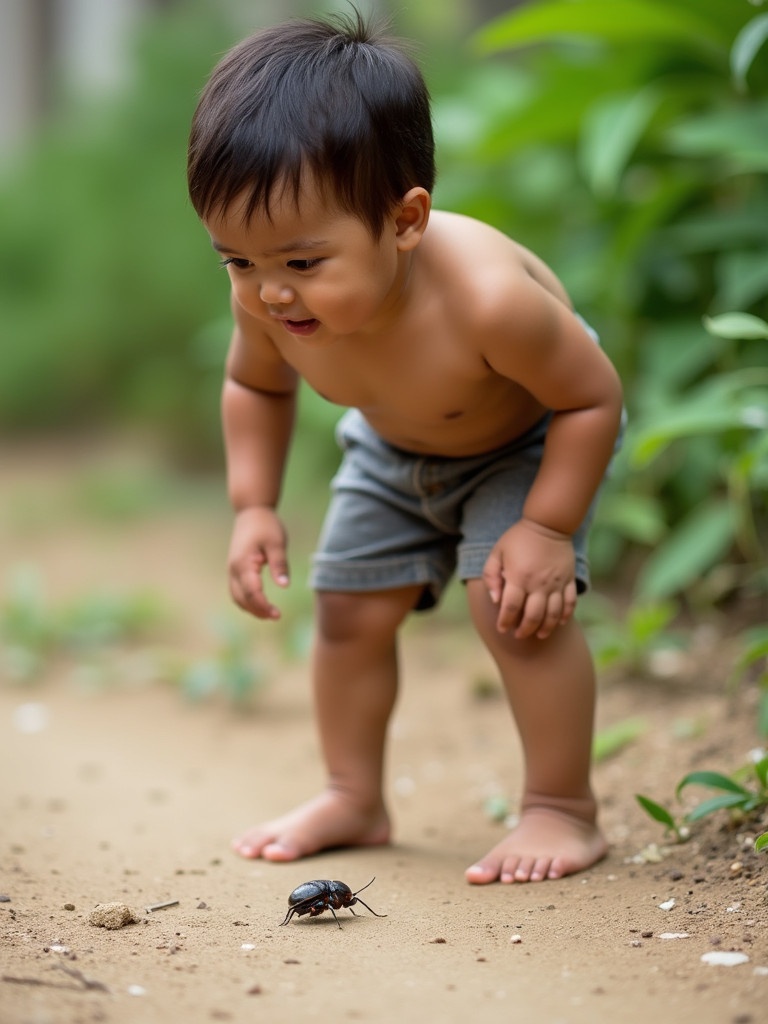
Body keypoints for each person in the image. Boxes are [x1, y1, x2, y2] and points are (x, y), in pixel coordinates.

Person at [187, 8, 624, 884]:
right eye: (237, 261)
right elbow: (255, 386)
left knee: (511, 610)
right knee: (347, 611)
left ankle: (562, 808)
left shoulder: (488, 302)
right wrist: (254, 504)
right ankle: (354, 793)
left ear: (407, 220)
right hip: (387, 453)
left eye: (303, 263)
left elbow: (592, 397)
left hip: (524, 443)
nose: (270, 292)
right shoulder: (264, 300)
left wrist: (545, 526)